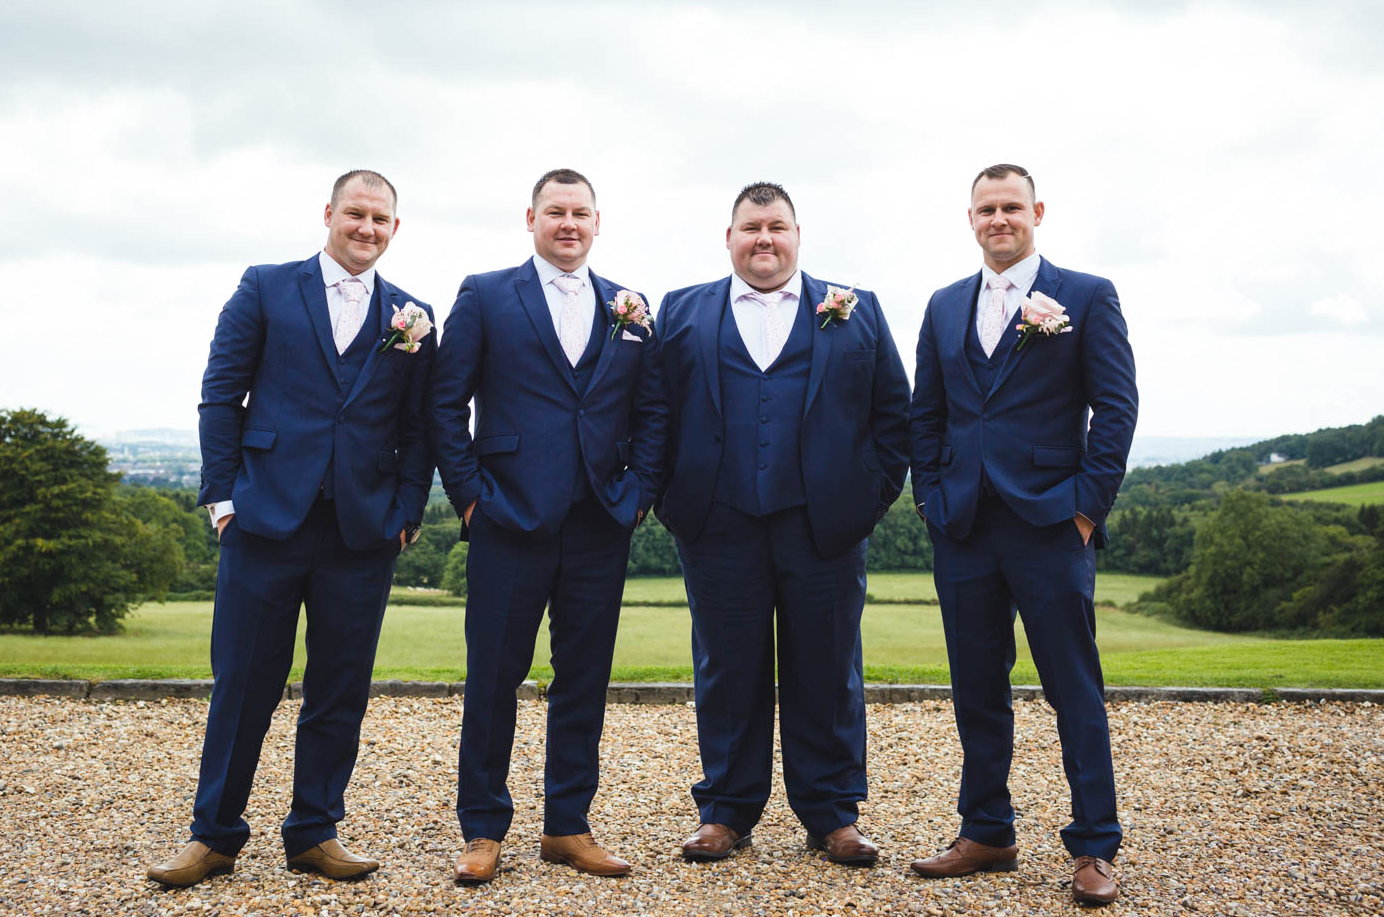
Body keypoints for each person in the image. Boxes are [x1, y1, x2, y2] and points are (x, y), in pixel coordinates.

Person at [147, 170, 436, 887]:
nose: (367, 228)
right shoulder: (267, 286)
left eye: (381, 219)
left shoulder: (413, 314)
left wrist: (404, 512)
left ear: (395, 229)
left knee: (340, 689)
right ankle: (212, 836)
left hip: (362, 532)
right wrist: (222, 501)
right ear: (329, 214)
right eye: (356, 214)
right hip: (264, 521)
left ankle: (314, 832)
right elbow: (221, 393)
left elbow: (420, 428)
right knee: (243, 683)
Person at [655, 182, 911, 866]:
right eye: (750, 227)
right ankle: (726, 812)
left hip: (824, 527)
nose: (763, 239)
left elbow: (895, 417)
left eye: (776, 226)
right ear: (729, 236)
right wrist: (672, 503)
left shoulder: (855, 311)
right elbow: (654, 411)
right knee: (725, 668)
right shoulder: (681, 310)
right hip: (716, 523)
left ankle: (831, 814)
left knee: (827, 671)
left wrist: (865, 503)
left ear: (798, 234)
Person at [429, 168, 668, 884]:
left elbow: (653, 412)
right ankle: (483, 830)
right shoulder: (485, 294)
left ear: (598, 223)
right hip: (508, 517)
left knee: (585, 679)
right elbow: (445, 405)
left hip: (600, 521)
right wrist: (470, 497)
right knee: (493, 677)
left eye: (581, 213)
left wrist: (635, 497)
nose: (569, 224)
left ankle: (568, 825)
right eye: (556, 212)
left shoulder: (630, 305)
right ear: (530, 218)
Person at [908, 164, 1137, 906]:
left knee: (1075, 689)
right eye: (986, 209)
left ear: (1037, 211)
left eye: (1011, 207)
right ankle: (986, 832)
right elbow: (928, 413)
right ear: (969, 218)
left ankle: (1095, 846)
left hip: (1050, 526)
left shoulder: (1086, 295)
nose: (998, 219)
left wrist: (1084, 510)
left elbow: (1117, 409)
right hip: (965, 527)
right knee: (977, 691)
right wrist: (932, 499)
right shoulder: (944, 306)